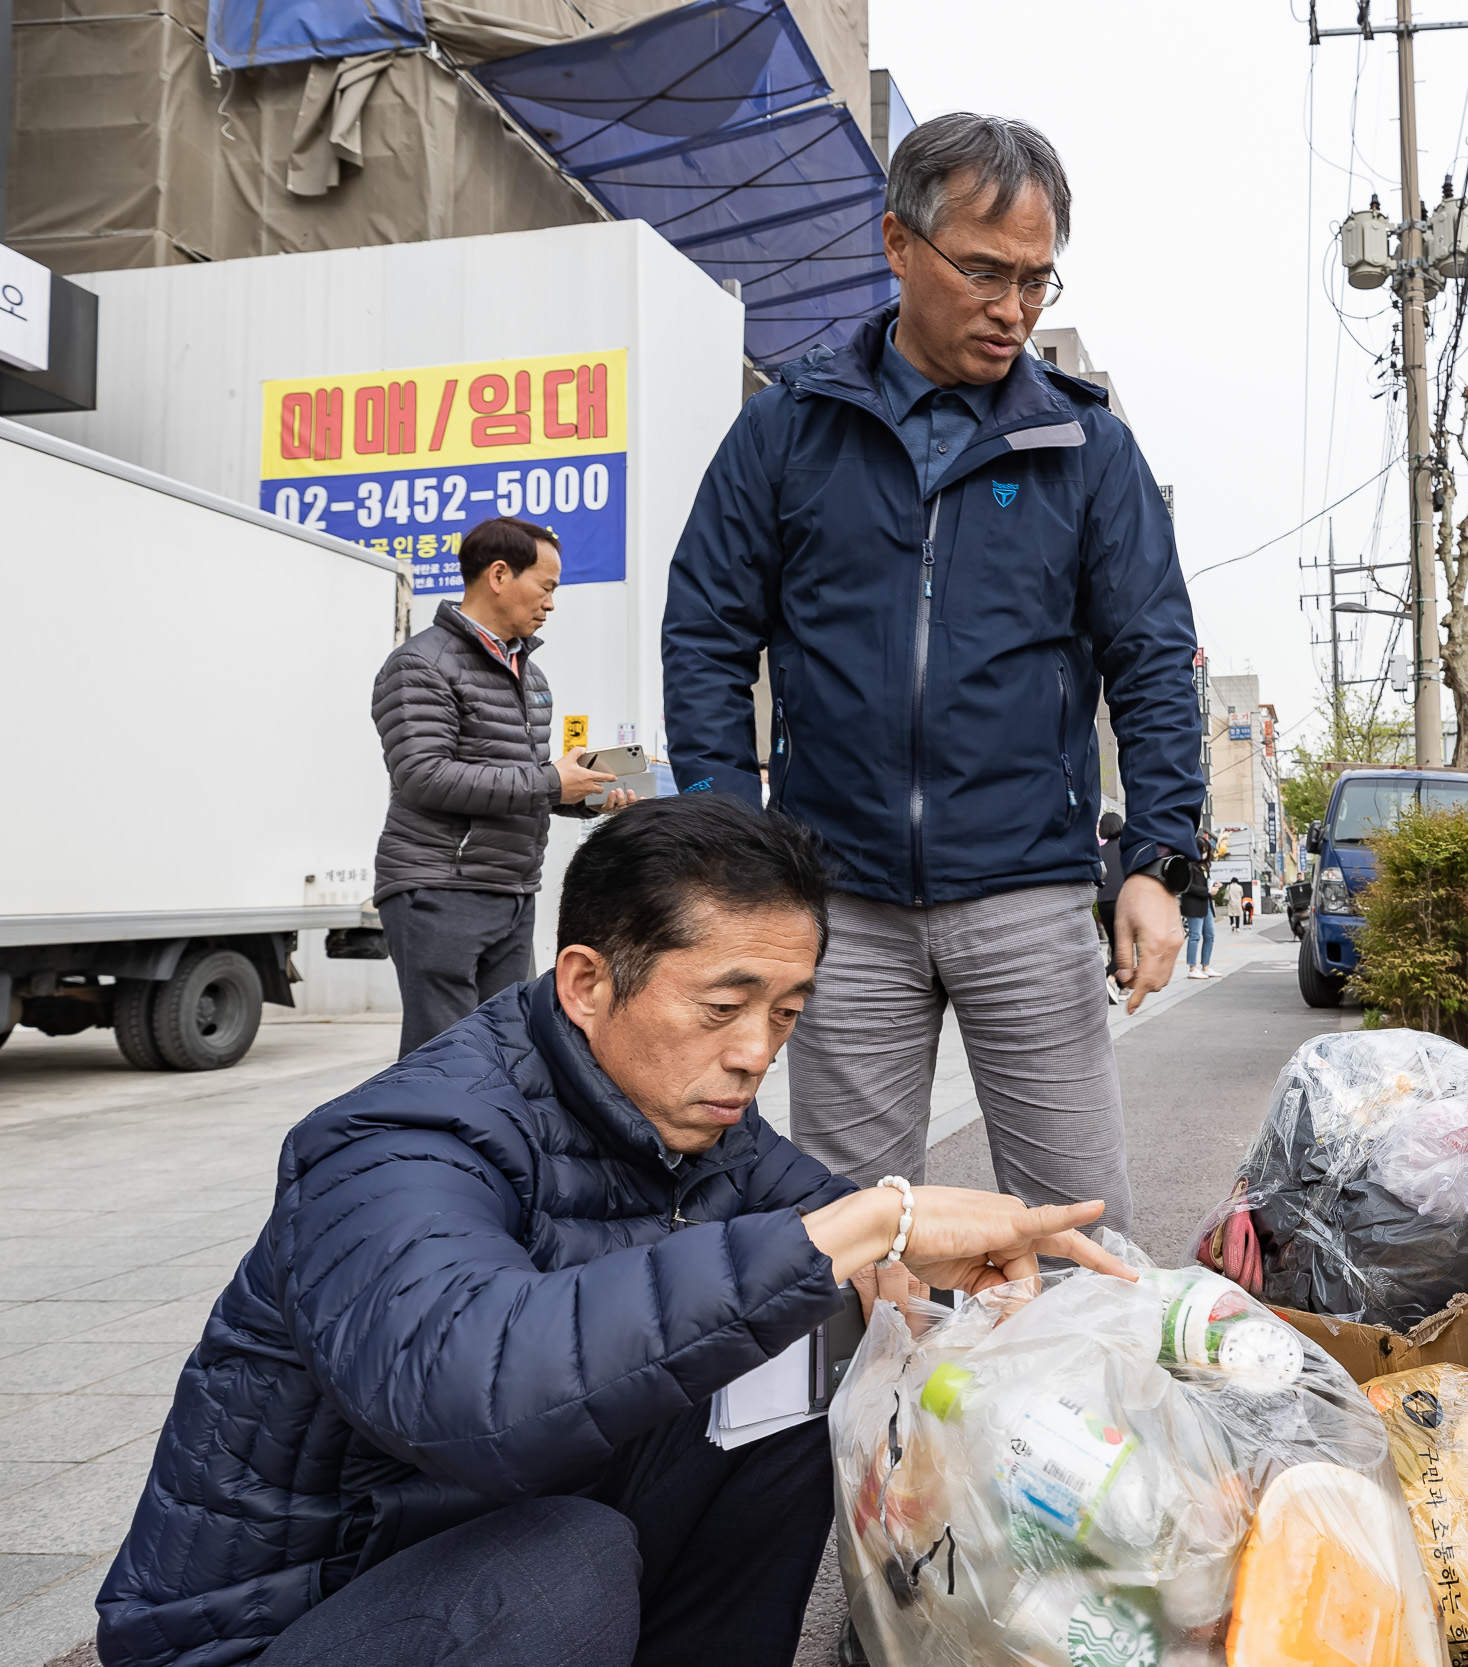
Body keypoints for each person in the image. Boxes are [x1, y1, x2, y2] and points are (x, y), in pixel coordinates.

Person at [94, 795, 1132, 1667]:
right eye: (725, 1005)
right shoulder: (400, 1140)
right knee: (566, 1564)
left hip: (468, 1541)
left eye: (785, 1013)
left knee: (809, 1345)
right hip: (278, 1629)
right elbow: (470, 1385)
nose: (753, 1051)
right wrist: (865, 1220)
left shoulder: (694, 1119)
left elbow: (833, 1252)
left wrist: (1041, 1348)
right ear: (588, 981)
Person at [663, 113, 1200, 1239]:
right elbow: (708, 631)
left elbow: (1151, 656)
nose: (1014, 310)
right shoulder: (787, 431)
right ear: (899, 244)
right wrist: (731, 841)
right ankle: (869, 1424)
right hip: (839, 901)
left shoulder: (1086, 449)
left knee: (1079, 1229)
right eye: (986, 273)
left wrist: (1156, 859)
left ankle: (1078, 1420)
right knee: (851, 1234)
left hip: (1028, 894)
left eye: (1038, 282)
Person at [371, 517, 636, 1058]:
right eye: (546, 586)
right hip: (440, 886)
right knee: (446, 1056)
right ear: (498, 575)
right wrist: (549, 780)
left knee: (514, 1050)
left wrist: (584, 795)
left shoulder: (529, 675)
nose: (552, 604)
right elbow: (424, 776)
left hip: (511, 888)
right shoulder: (420, 664)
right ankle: (429, 1146)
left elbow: (520, 780)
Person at [1095, 808, 1126, 1003]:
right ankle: (1104, 979)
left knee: (1116, 945)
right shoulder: (1126, 849)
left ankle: (1119, 986)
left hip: (1103, 902)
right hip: (1122, 902)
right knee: (1123, 946)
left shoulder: (1098, 852)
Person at [1182, 834, 1217, 979]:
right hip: (1194, 905)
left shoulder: (1205, 865)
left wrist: (1213, 886)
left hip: (1206, 903)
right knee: (1195, 936)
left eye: (1206, 850)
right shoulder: (1188, 865)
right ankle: (1192, 968)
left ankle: (1206, 965)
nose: (1204, 853)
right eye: (1202, 850)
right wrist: (1208, 891)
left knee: (1210, 935)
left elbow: (1204, 883)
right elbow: (1187, 886)